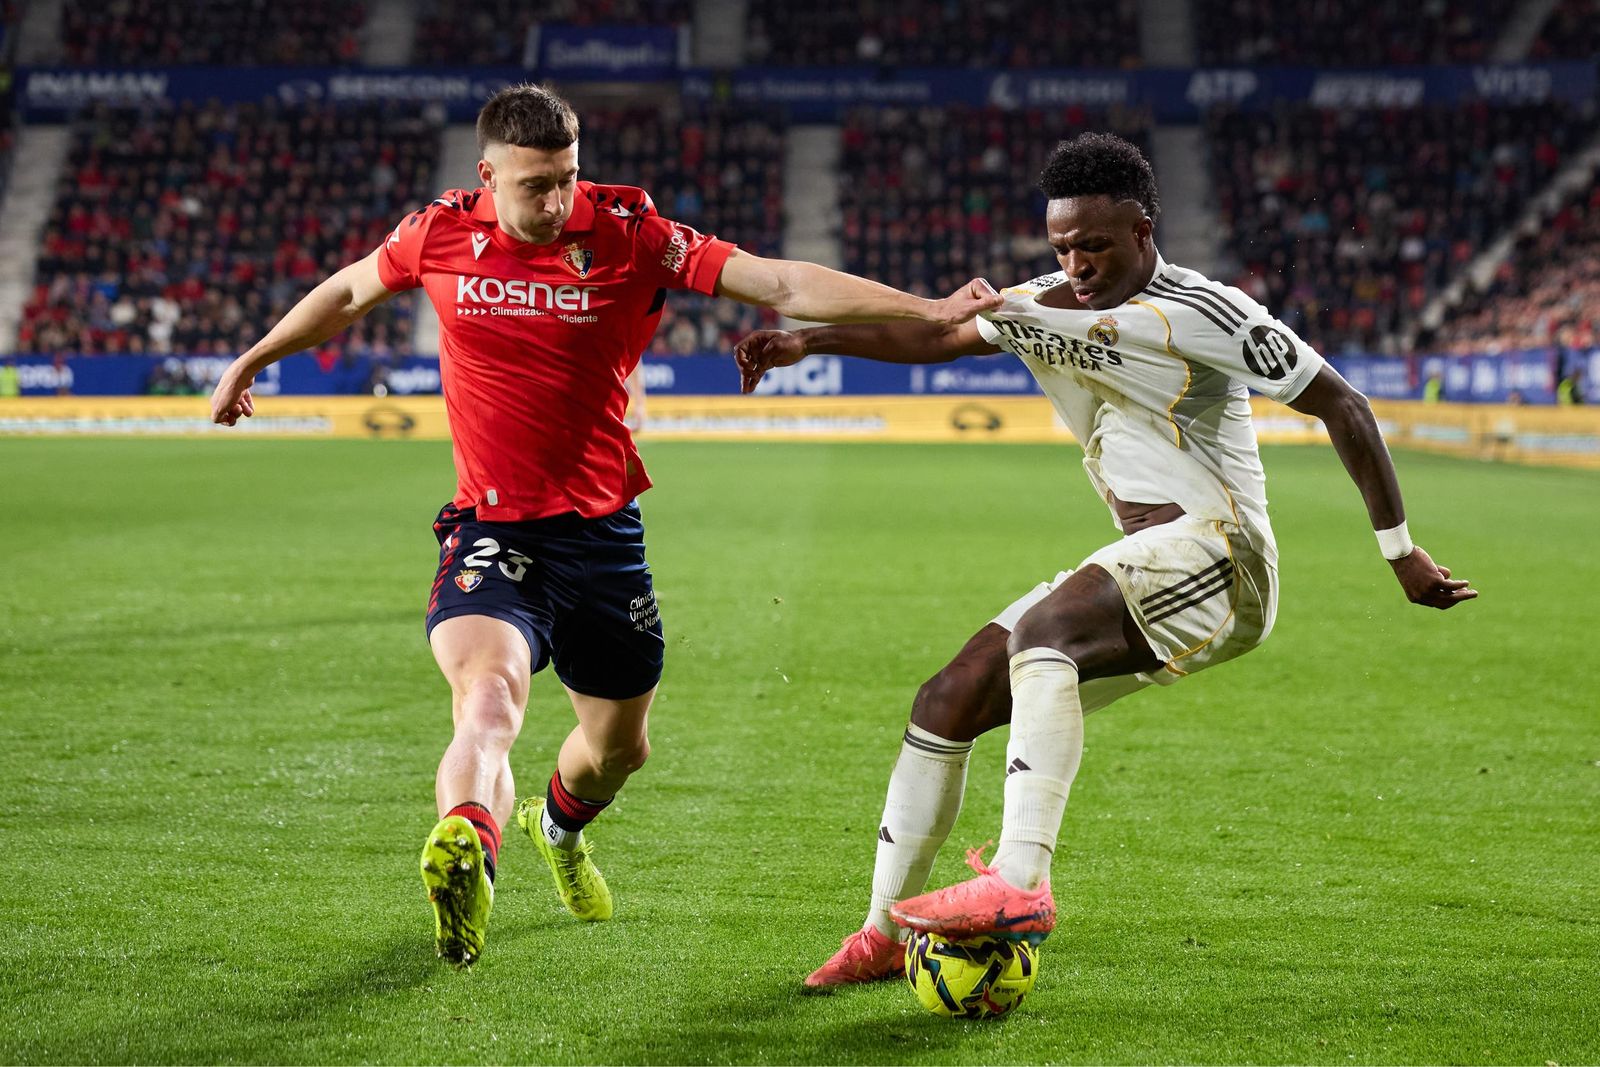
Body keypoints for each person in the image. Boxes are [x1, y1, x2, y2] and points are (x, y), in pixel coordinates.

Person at [209, 84, 1001, 967]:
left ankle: (557, 826)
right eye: (535, 186)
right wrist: (253, 358)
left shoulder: (630, 230)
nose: (556, 203)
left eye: (567, 179)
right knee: (489, 697)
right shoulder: (435, 232)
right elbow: (349, 291)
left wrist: (929, 307)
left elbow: (777, 281)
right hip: (492, 527)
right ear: (487, 176)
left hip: (603, 535)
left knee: (621, 748)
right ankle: (470, 841)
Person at [733, 133, 1478, 988]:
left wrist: (1402, 551)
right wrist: (809, 343)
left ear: (1142, 230)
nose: (1077, 262)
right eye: (1061, 245)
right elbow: (937, 338)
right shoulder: (1039, 301)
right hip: (1143, 561)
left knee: (1045, 631)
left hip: (1222, 554)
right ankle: (879, 934)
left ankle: (1019, 882)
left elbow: (1343, 403)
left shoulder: (1207, 310)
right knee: (949, 695)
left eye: (1095, 243)